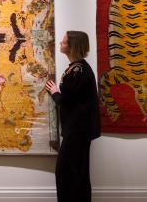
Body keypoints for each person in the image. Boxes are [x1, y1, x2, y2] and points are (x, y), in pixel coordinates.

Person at [45, 31, 101, 202]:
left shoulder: (78, 71)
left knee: (66, 174)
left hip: (77, 131)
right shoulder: (79, 68)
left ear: (72, 47)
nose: (60, 44)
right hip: (79, 130)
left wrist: (55, 93)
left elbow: (66, 100)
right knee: (78, 173)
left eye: (63, 42)